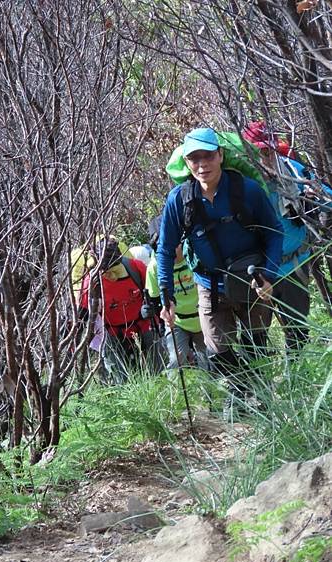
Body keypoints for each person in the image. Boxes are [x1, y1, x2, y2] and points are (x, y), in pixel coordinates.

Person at [157, 127, 283, 420]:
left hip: (252, 281)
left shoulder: (246, 190)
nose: (202, 165)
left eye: (208, 156)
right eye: (195, 159)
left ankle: (262, 400)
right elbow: (165, 249)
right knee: (217, 348)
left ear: (220, 155)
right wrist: (167, 295)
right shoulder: (180, 200)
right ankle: (240, 391)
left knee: (256, 342)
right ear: (187, 163)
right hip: (209, 283)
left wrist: (269, 274)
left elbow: (274, 232)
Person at [243, 121, 332, 347]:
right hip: (258, 272)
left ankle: (296, 378)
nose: (266, 157)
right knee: (255, 339)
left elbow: (329, 201)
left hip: (294, 267)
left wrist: (313, 197)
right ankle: (265, 381)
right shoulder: (241, 185)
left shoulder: (293, 170)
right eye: (259, 152)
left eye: (268, 150)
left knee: (297, 334)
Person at [79, 237, 162, 384]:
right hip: (113, 335)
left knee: (156, 374)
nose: (110, 275)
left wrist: (152, 309)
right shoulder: (91, 282)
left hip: (143, 327)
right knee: (121, 382)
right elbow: (83, 315)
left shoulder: (135, 268)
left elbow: (155, 295)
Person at [143, 217, 208, 373]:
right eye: (160, 248)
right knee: (176, 362)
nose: (167, 252)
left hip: (204, 316)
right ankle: (177, 396)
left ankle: (212, 395)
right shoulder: (154, 267)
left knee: (209, 361)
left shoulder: (195, 254)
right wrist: (148, 309)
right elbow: (154, 298)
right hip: (177, 322)